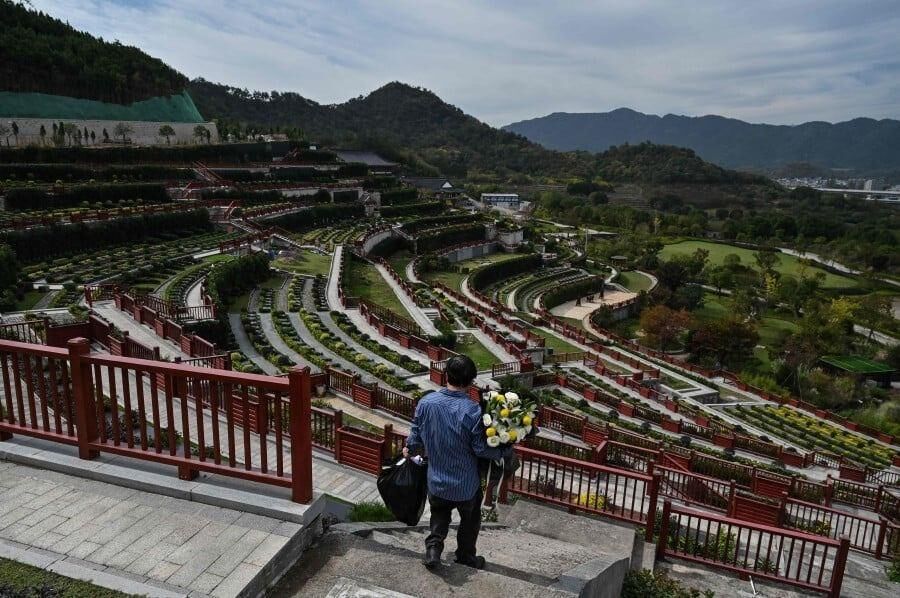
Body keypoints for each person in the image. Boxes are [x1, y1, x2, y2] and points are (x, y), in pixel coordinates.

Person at [403, 355, 512, 570]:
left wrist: (409, 449)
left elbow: (415, 437)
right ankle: (465, 556)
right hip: (465, 483)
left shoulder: (426, 403)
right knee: (470, 520)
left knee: (439, 514)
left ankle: (434, 549)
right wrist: (504, 449)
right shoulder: (472, 411)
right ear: (471, 381)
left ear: (446, 375)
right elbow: (481, 448)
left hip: (436, 479)